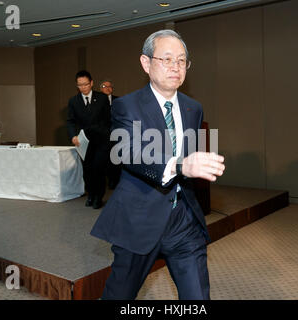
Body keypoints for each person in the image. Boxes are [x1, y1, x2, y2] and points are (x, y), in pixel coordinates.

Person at [90, 29, 225, 299]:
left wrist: (192, 167)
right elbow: (128, 151)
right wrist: (179, 165)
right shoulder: (126, 106)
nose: (176, 67)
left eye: (181, 60)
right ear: (145, 63)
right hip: (139, 218)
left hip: (183, 220)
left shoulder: (193, 108)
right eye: (167, 59)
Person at [67, 70, 110, 209]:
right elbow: (70, 121)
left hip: (101, 140)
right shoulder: (74, 101)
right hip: (84, 142)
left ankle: (99, 197)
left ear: (91, 83)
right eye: (80, 85)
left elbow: (109, 120)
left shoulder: (102, 99)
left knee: (98, 168)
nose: (83, 87)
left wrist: (107, 134)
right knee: (88, 170)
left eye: (85, 84)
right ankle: (91, 194)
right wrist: (73, 135)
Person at [100, 80, 121, 189]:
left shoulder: (118, 100)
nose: (107, 88)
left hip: (116, 133)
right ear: (100, 89)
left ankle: (114, 180)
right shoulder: (97, 101)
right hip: (103, 134)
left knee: (116, 158)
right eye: (104, 86)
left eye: (109, 86)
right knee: (105, 158)